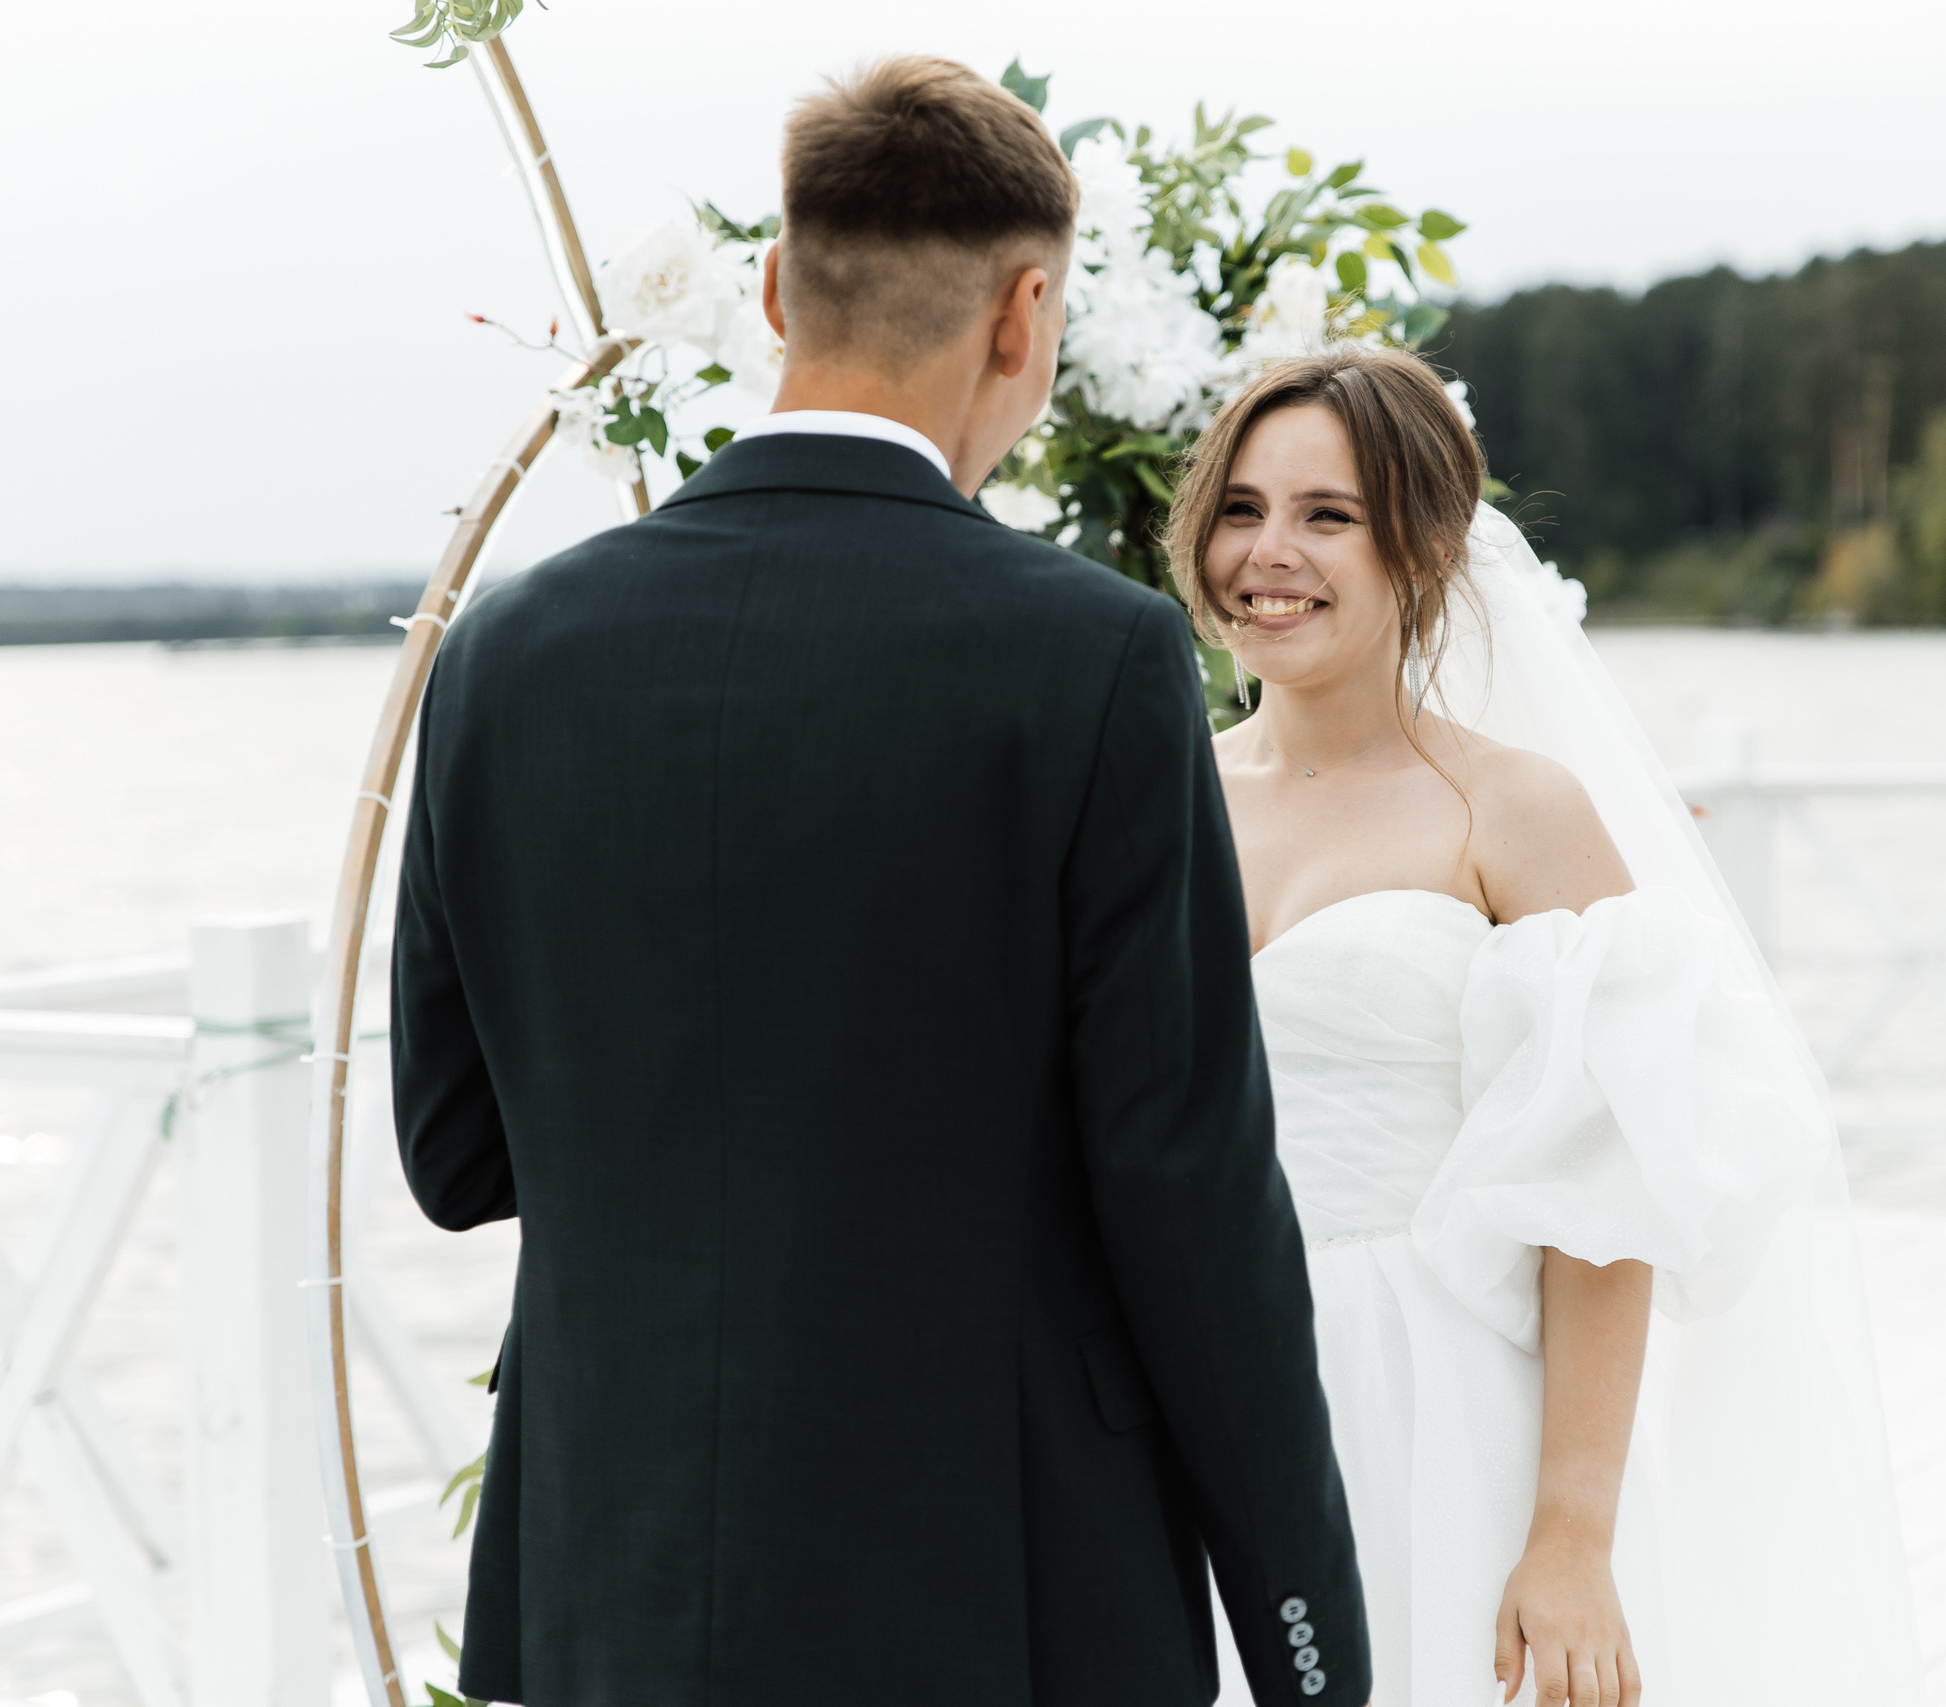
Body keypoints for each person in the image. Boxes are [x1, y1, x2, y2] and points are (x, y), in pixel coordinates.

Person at [389, 58, 1367, 1707]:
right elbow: (1188, 1196)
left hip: (609, 1590)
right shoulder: (1096, 660)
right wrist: (1309, 1645)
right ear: (1024, 315)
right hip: (993, 1599)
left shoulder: (501, 656)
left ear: (777, 288)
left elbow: (456, 1151)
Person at [1170, 348, 1922, 1707]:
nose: (1269, 553)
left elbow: (1604, 1200)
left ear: (1427, 543)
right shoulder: (1158, 798)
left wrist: (1570, 1532)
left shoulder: (1517, 813)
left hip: (1438, 1389)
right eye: (1242, 508)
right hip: (1196, 1391)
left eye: (1326, 516)